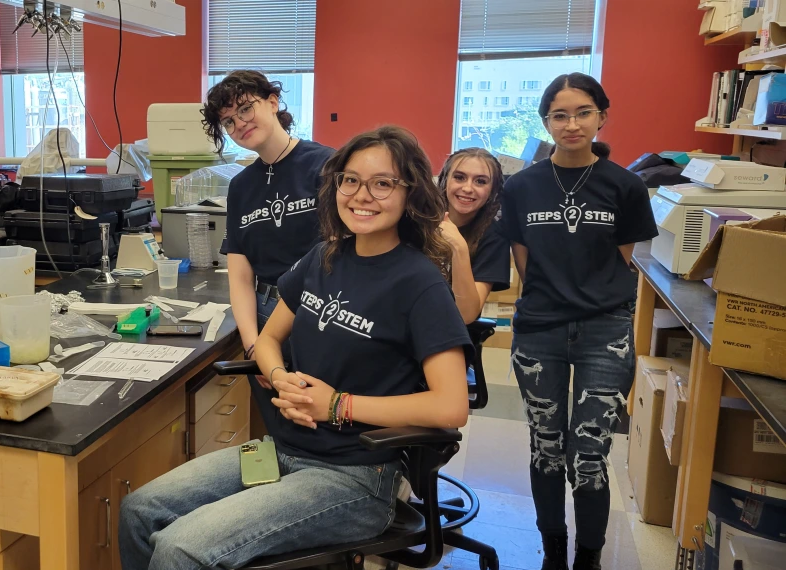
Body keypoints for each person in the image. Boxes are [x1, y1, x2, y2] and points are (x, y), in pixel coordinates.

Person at [119, 126, 472, 570]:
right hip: (282, 450)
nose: (362, 195)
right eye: (350, 180)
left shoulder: (419, 283)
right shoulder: (323, 256)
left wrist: (338, 405)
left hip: (354, 475)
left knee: (180, 547)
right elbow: (268, 339)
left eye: (382, 183)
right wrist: (279, 374)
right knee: (139, 509)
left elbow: (450, 405)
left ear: (410, 194)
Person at [500, 73, 657, 570]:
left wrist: (584, 297)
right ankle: (552, 551)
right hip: (540, 329)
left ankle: (587, 557)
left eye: (583, 112)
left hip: (604, 331)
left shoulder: (627, 185)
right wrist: (554, 296)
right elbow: (524, 261)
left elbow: (620, 259)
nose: (572, 124)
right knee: (546, 448)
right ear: (545, 121)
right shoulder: (522, 185)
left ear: (601, 116)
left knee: (587, 457)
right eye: (560, 115)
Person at [202, 70, 335, 435]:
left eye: (245, 109)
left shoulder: (326, 166)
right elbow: (241, 277)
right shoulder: (241, 186)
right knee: (279, 429)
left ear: (273, 102)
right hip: (265, 314)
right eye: (228, 122)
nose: (239, 124)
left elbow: (344, 255)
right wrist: (252, 348)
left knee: (317, 422)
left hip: (320, 314)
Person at [436, 148, 511, 323]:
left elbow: (466, 314)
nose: (468, 188)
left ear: (492, 191)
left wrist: (459, 246)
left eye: (480, 181)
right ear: (445, 180)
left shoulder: (493, 236)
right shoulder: (419, 222)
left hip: (452, 338)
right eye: (459, 177)